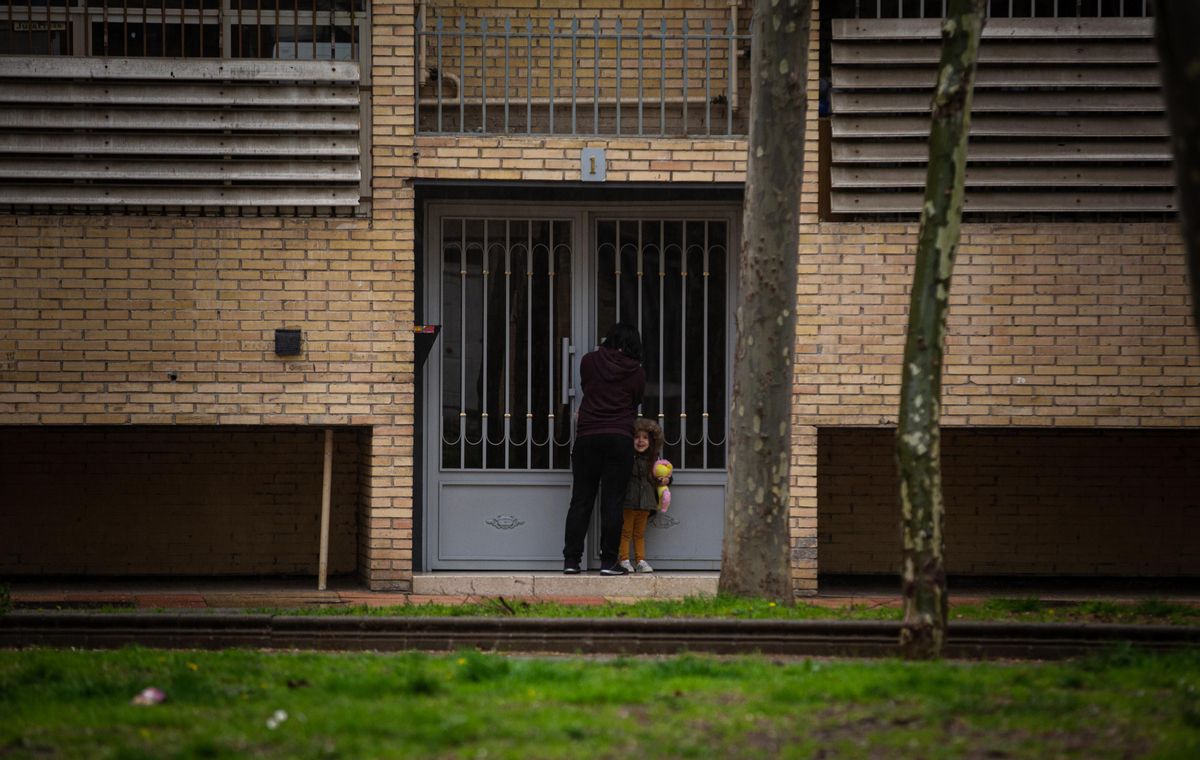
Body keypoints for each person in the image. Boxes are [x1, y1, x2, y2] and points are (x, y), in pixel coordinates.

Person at [562, 322, 646, 575]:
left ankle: (571, 561)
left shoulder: (588, 361)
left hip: (588, 436)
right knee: (613, 501)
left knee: (581, 499)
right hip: (619, 437)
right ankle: (609, 562)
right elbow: (636, 400)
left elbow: (588, 387)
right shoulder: (637, 372)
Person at [617, 417, 670, 574]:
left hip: (646, 503)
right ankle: (624, 559)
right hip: (629, 502)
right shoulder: (627, 457)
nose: (641, 441)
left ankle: (640, 560)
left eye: (645, 438)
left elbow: (662, 474)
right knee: (626, 532)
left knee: (639, 533)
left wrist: (666, 479)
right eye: (637, 437)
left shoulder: (654, 460)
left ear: (651, 441)